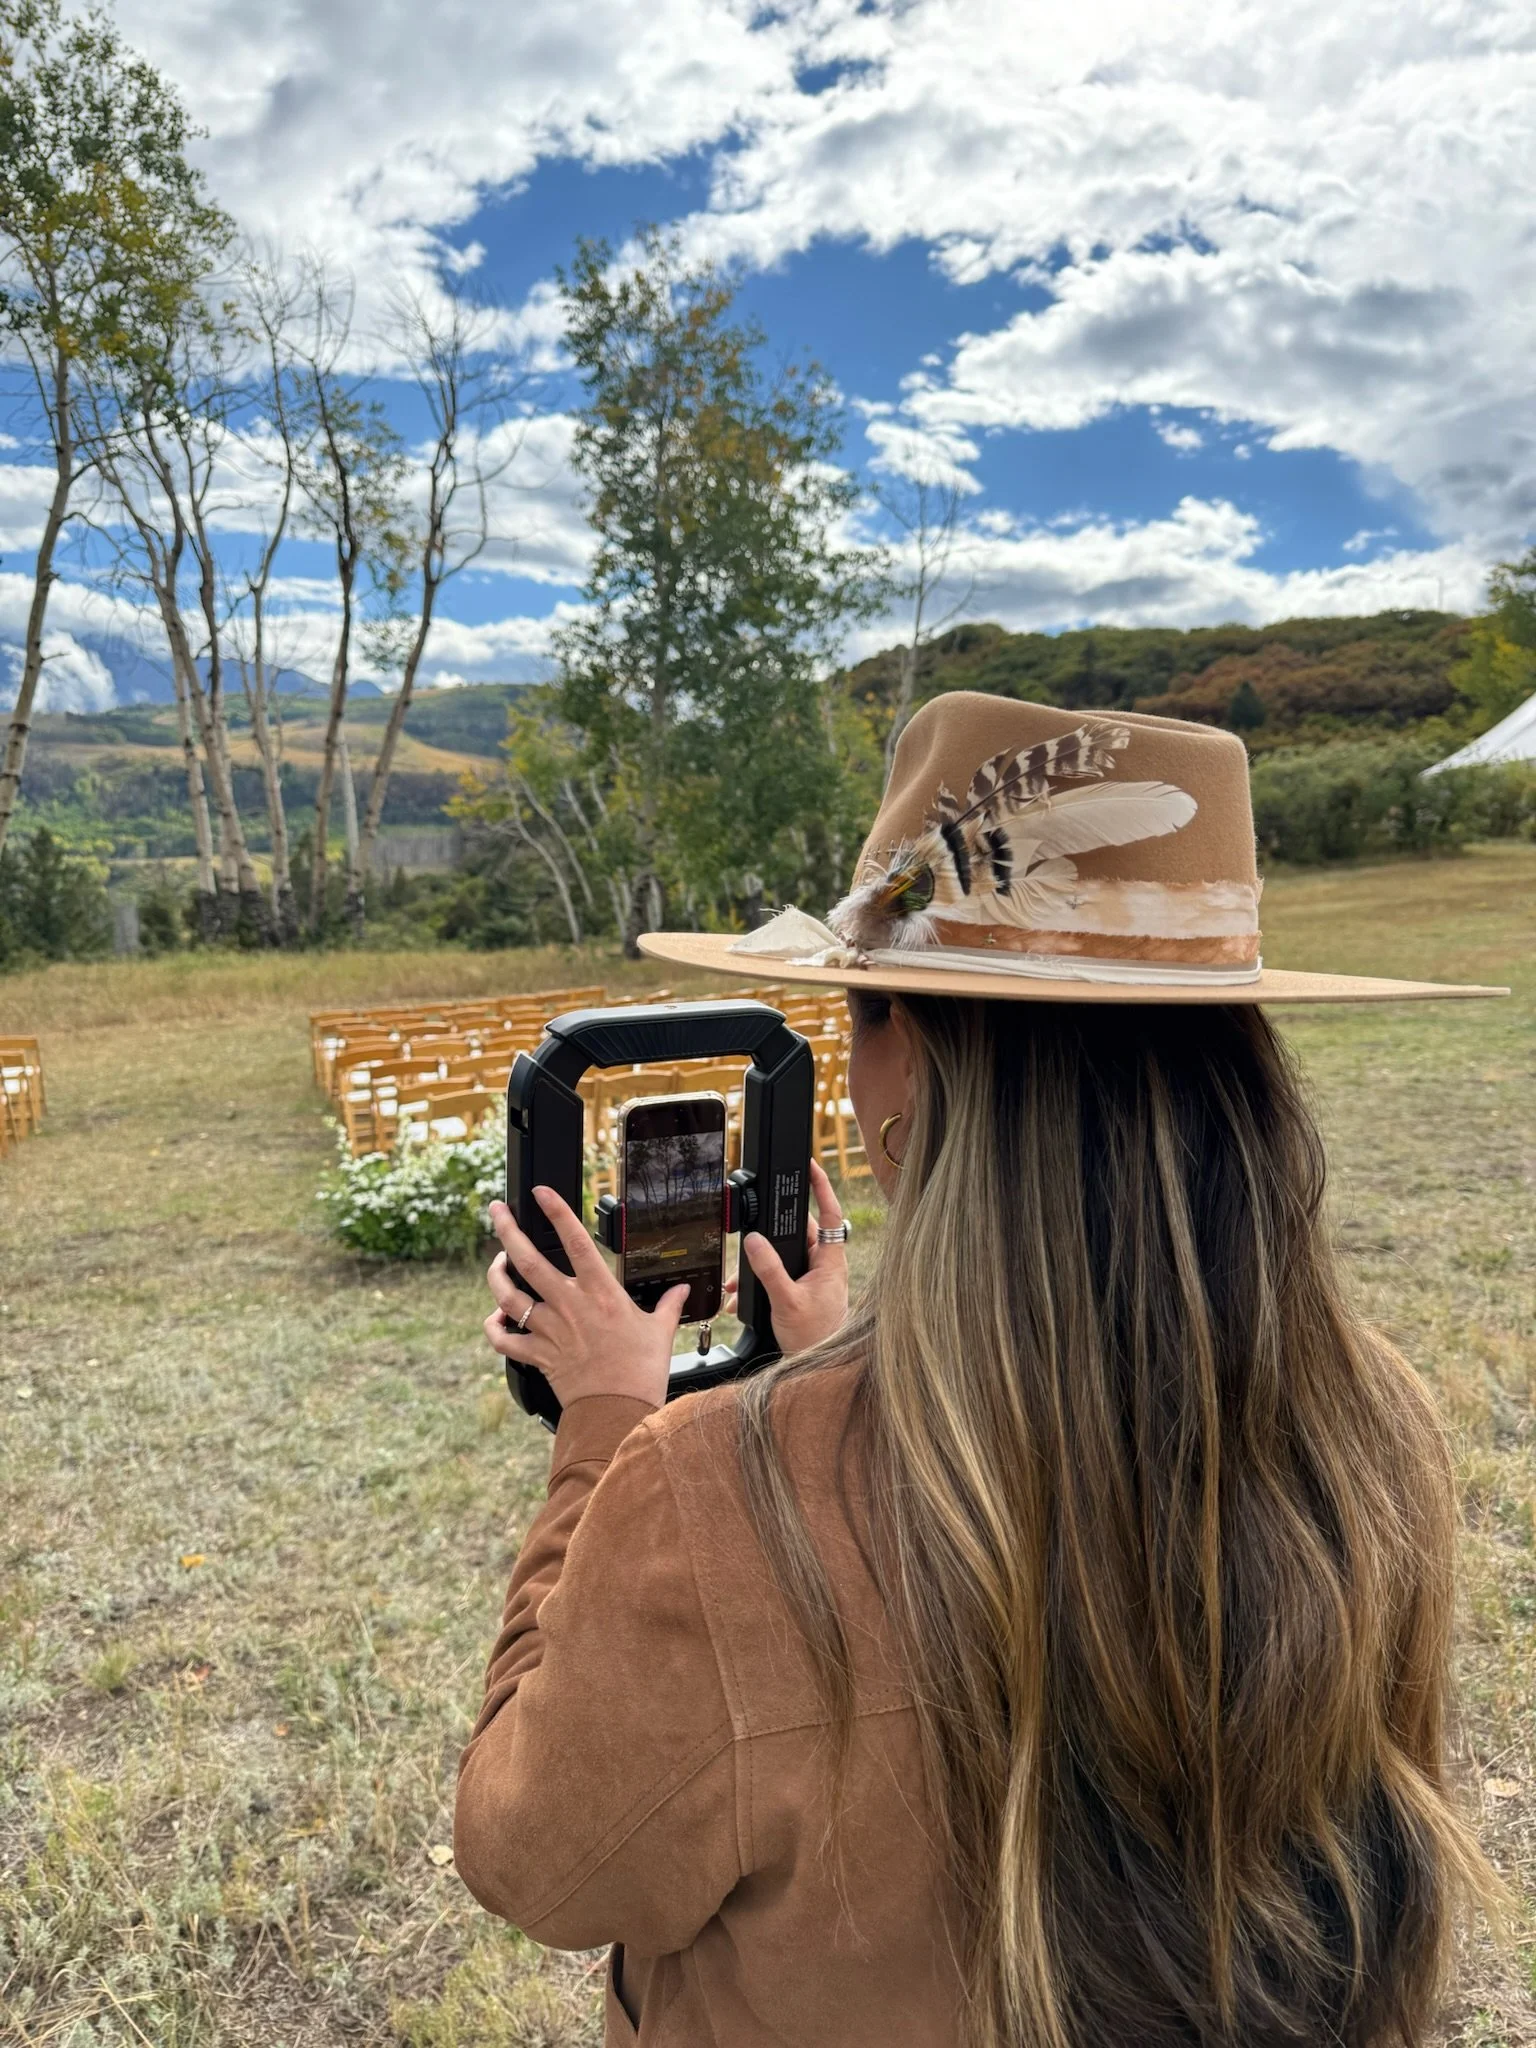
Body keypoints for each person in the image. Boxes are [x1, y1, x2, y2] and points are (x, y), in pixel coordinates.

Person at [455, 695, 1503, 2047]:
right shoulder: (1373, 1425)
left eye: (858, 1016)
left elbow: (533, 1858)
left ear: (909, 1062)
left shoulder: (708, 1494)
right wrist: (835, 1373)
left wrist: (607, 1422)